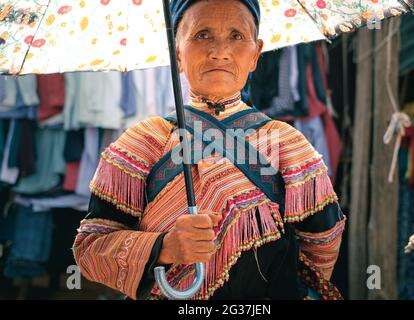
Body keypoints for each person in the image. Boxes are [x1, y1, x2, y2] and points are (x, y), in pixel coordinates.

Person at [72, 0, 346, 300]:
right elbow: (91, 249)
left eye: (237, 36)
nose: (219, 51)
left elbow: (321, 248)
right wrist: (163, 248)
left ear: (256, 54)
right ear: (177, 51)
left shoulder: (289, 147)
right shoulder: (140, 144)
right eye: (202, 35)